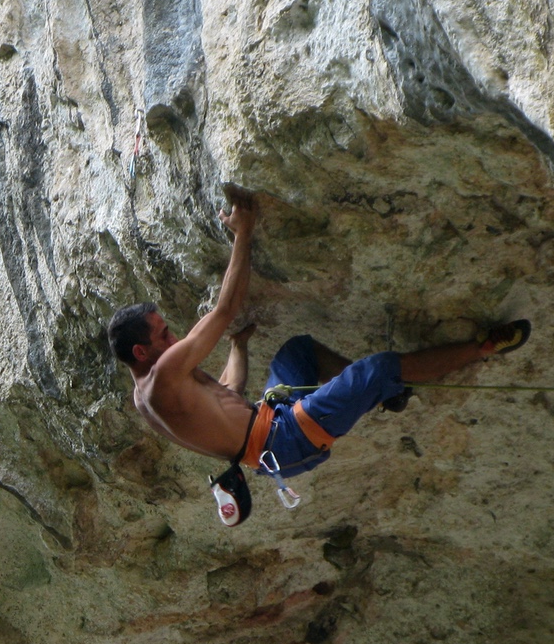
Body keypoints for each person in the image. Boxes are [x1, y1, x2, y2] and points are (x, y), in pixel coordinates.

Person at [107, 185, 530, 524]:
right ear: (142, 351)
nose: (175, 335)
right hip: (285, 440)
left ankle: (383, 393)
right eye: (165, 333)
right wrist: (244, 233)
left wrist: (238, 347)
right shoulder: (162, 374)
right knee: (379, 366)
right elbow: (225, 309)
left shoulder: (147, 396)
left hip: (270, 430)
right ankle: (483, 347)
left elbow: (227, 394)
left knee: (298, 351)